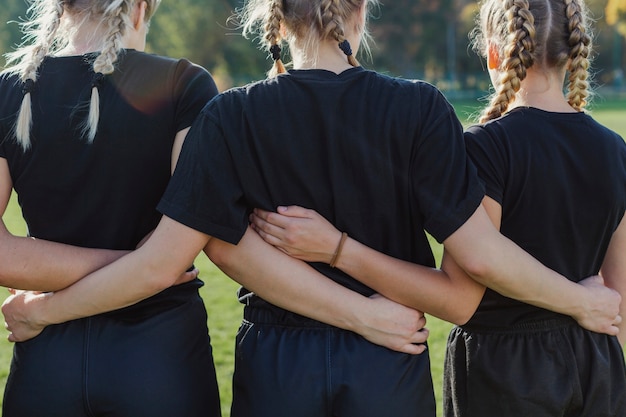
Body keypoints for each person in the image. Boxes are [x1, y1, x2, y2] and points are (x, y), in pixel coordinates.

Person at [2, 0, 621, 416]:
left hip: (276, 360)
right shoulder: (418, 108)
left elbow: (212, 247)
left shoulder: (231, 112)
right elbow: (466, 289)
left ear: (272, 16)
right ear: (360, 11)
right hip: (388, 357)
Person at [248, 0, 626, 415]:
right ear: (573, 50)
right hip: (598, 361)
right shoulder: (615, 149)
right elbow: (618, 296)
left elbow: (472, 272)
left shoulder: (487, 147)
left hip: (507, 370)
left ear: (495, 52)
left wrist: (337, 249)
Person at [0, 0, 223, 415]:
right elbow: (163, 265)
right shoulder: (184, 83)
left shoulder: (9, 89)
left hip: (46, 362)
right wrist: (140, 262)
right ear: (140, 7)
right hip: (158, 358)